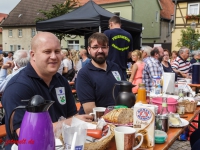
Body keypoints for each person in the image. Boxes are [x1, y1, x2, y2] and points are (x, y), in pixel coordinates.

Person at [1, 32, 93, 150]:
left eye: (57, 51)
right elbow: (27, 136)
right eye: (47, 52)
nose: (54, 56)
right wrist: (70, 122)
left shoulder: (61, 81)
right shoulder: (18, 86)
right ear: (33, 55)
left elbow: (72, 115)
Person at [76, 32, 125, 114]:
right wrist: (114, 116)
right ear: (89, 49)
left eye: (104, 47)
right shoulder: (84, 74)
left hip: (118, 119)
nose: (100, 51)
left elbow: (124, 93)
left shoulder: (115, 67)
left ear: (108, 48)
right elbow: (90, 110)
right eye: (95, 47)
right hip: (96, 123)